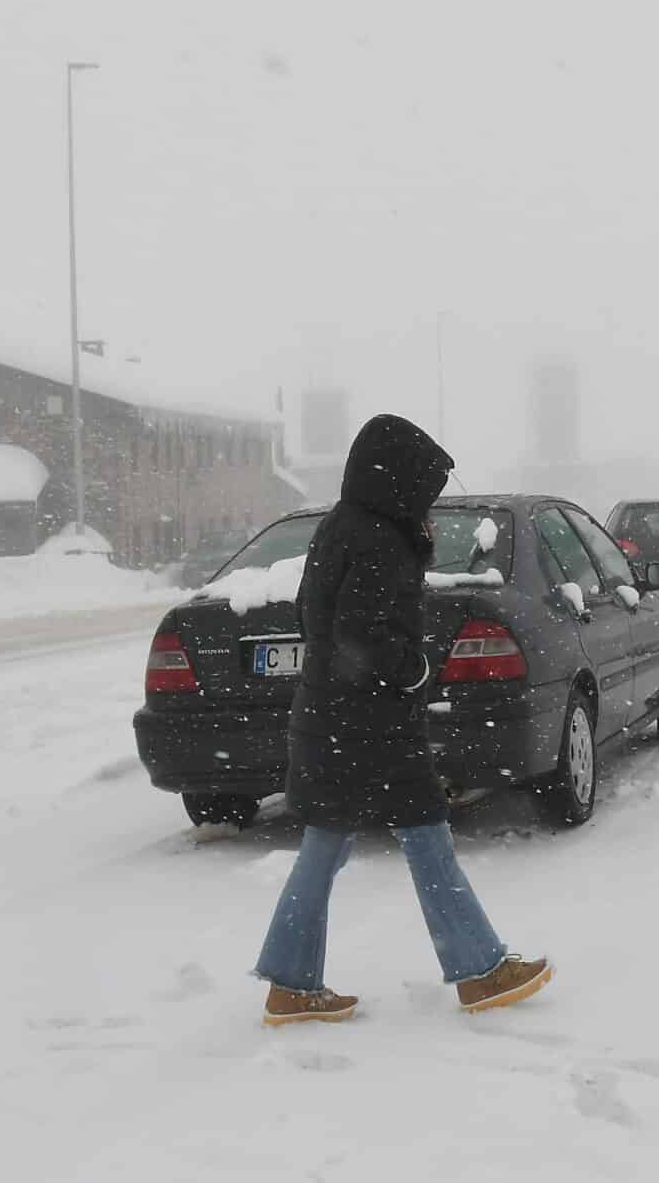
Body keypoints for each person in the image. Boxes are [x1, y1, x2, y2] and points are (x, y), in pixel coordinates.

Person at [254, 414, 551, 1025]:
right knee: (428, 841)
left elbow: (324, 623)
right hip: (373, 723)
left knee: (325, 847)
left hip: (335, 718)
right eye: (424, 487)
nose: (430, 500)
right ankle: (481, 970)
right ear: (398, 482)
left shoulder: (343, 527)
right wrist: (413, 670)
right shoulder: (379, 539)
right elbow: (360, 634)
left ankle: (290, 982)